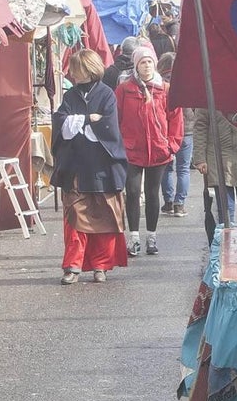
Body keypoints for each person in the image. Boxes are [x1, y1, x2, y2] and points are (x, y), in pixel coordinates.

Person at [52, 49, 130, 284]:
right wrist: (87, 119)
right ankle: (73, 265)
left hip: (103, 168)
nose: (72, 74)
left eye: (76, 69)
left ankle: (101, 265)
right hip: (76, 168)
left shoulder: (107, 94)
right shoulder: (70, 96)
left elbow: (107, 129)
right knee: (75, 217)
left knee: (104, 217)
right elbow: (62, 124)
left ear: (88, 69)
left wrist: (79, 124)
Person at [115, 43, 183, 257]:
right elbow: (116, 117)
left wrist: (171, 145)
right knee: (133, 193)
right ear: (136, 65)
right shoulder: (125, 89)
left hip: (158, 150)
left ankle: (151, 237)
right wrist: (119, 145)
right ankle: (134, 237)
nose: (146, 66)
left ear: (154, 64)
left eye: (149, 62)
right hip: (132, 151)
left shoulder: (165, 89)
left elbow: (175, 119)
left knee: (153, 194)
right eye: (142, 62)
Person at [191, 106, 237, 243]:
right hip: (218, 158)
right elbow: (200, 127)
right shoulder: (206, 94)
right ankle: (227, 248)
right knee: (226, 213)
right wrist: (200, 159)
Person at [158, 53, 192, 218]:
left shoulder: (159, 84)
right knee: (183, 169)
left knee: (167, 168)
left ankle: (168, 202)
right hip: (187, 129)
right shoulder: (185, 81)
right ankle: (180, 204)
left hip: (165, 130)